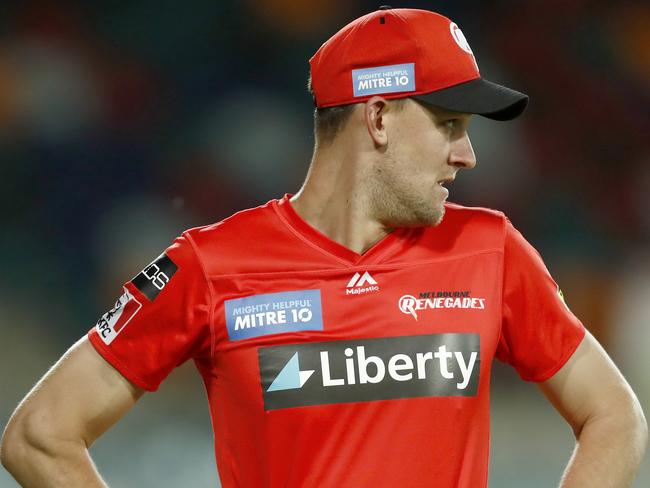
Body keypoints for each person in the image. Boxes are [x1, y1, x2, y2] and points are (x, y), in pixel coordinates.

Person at [1, 6, 647, 488]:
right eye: (449, 125)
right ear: (377, 117)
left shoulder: (492, 252)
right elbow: (39, 435)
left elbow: (617, 417)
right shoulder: (210, 267)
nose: (468, 154)